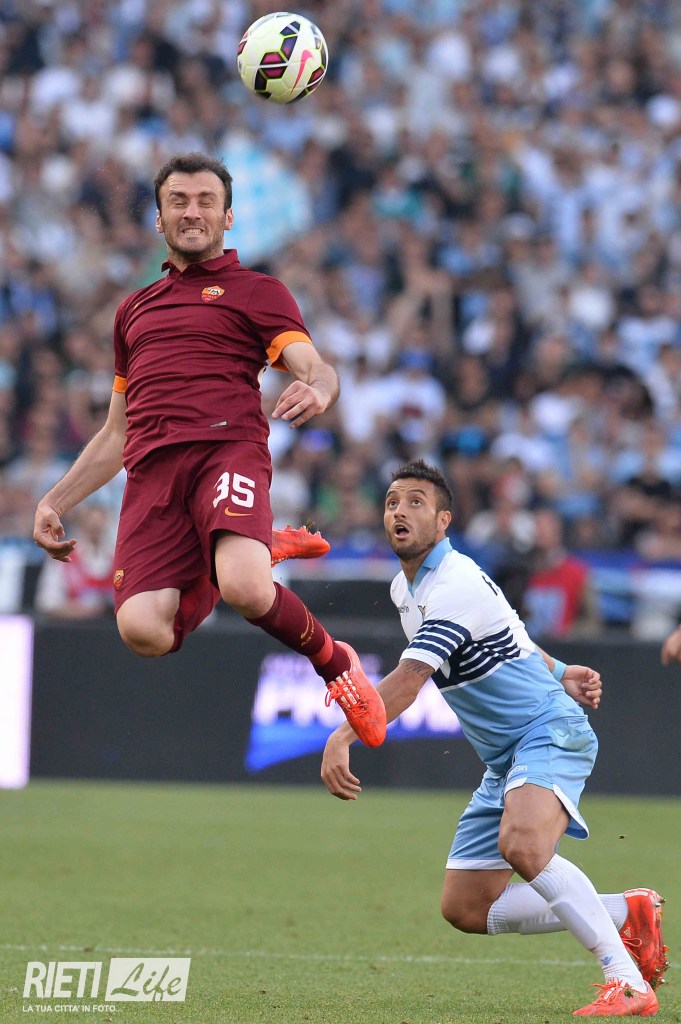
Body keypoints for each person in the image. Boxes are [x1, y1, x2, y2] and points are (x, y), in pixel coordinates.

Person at [32, 151, 386, 749]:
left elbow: (313, 364)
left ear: (228, 217)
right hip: (153, 475)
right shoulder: (133, 311)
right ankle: (240, 549)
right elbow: (117, 432)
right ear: (159, 219)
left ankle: (336, 663)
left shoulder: (258, 291)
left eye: (205, 202)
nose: (192, 212)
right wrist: (55, 500)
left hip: (227, 452)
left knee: (247, 590)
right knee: (143, 630)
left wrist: (321, 388)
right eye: (178, 201)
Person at [321, 460, 668, 1016]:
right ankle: (628, 912)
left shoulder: (454, 582)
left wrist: (343, 734)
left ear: (444, 520)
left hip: (546, 729)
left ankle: (626, 981)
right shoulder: (404, 588)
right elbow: (513, 633)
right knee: (466, 907)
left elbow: (410, 680)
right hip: (505, 758)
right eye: (391, 502)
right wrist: (560, 669)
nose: (399, 512)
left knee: (524, 846)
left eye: (415, 502)